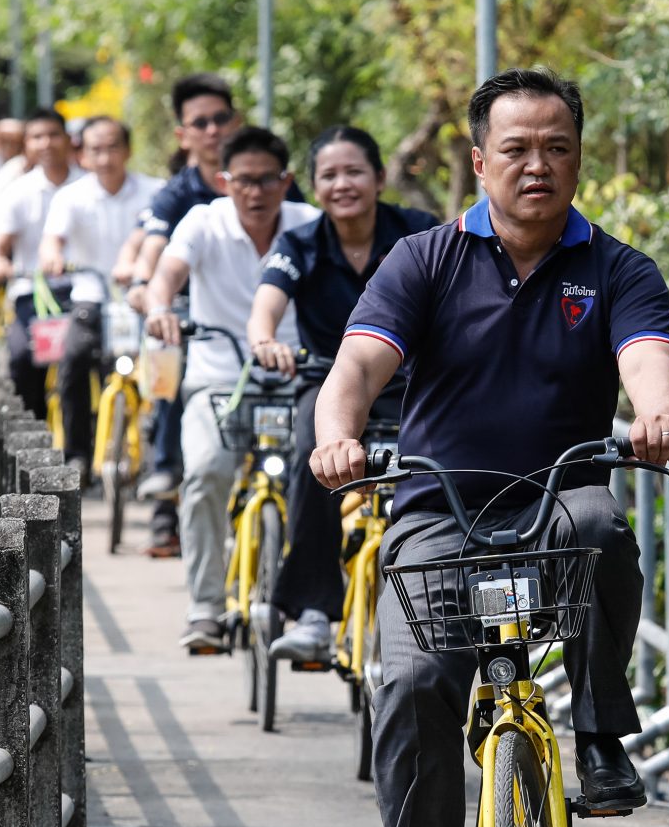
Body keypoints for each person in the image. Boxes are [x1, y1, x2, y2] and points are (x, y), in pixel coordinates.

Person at [308, 69, 669, 827]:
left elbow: (649, 362)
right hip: (439, 513)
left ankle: (600, 737)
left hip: (557, 505)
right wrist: (337, 436)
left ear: (579, 160)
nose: (537, 165)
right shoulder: (424, 260)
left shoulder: (619, 269)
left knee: (603, 525)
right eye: (516, 148)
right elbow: (358, 366)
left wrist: (658, 417)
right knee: (409, 690)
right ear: (480, 162)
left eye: (557, 147)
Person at [250, 127, 439, 664]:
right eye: (329, 175)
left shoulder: (419, 234)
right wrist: (264, 340)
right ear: (313, 188)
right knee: (311, 449)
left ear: (379, 178)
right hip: (327, 384)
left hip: (407, 383)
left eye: (354, 172)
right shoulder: (299, 244)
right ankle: (314, 611)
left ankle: (444, 598)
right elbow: (267, 302)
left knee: (445, 454)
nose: (342, 184)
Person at [144, 128, 320, 653]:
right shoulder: (203, 221)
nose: (255, 192)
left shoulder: (310, 224)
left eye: (267, 180)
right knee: (204, 472)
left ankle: (312, 606)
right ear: (224, 182)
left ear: (286, 181)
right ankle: (204, 607)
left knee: (321, 478)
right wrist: (159, 307)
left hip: (299, 377)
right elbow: (166, 274)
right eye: (244, 180)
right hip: (218, 378)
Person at [127, 74, 299, 558]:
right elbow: (157, 255)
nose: (212, 129)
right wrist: (151, 295)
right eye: (200, 123)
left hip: (293, 369)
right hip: (210, 353)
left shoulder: (301, 215)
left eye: (220, 119)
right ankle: (166, 476)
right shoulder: (184, 200)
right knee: (197, 451)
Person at [39, 115, 163, 479]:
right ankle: (77, 453)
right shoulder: (71, 196)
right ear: (84, 153)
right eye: (96, 149)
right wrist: (52, 256)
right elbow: (52, 239)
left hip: (146, 297)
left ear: (128, 150)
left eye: (113, 148)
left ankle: (164, 459)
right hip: (92, 296)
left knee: (166, 370)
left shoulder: (155, 192)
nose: (105, 158)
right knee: (73, 362)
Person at [0, 111, 83, 421]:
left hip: (83, 293)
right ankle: (33, 428)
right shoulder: (18, 191)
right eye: (37, 137)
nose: (46, 143)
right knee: (22, 358)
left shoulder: (88, 185)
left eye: (53, 135)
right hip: (33, 294)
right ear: (27, 144)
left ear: (68, 140)